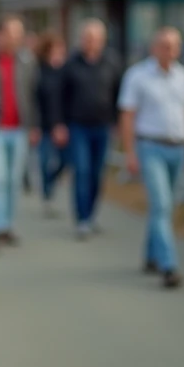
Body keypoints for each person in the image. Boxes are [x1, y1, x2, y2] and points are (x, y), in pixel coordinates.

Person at [119, 27, 184, 289]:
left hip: (178, 146)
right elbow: (128, 115)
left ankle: (151, 254)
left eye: (175, 45)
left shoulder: (183, 75)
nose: (170, 50)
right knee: (162, 204)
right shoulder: (138, 76)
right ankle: (169, 265)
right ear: (154, 48)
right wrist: (130, 152)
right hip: (150, 146)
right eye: (165, 45)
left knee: (165, 206)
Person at [59, 18, 123, 239]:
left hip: (103, 126)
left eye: (96, 39)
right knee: (82, 171)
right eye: (87, 38)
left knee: (97, 173)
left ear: (103, 41)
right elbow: (60, 96)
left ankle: (92, 214)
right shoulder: (71, 64)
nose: (91, 42)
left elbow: (118, 94)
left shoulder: (112, 63)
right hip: (78, 127)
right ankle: (82, 219)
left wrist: (118, 122)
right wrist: (60, 124)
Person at [0, 13, 38, 252]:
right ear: (1, 34)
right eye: (11, 33)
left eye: (19, 34)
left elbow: (34, 95)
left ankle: (8, 225)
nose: (15, 38)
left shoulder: (26, 61)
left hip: (20, 129)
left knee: (14, 180)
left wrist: (35, 125)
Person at [33, 30, 69, 218]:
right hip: (45, 125)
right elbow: (35, 99)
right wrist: (36, 126)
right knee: (46, 163)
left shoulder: (66, 70)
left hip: (63, 125)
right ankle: (47, 195)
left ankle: (52, 185)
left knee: (64, 161)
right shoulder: (39, 71)